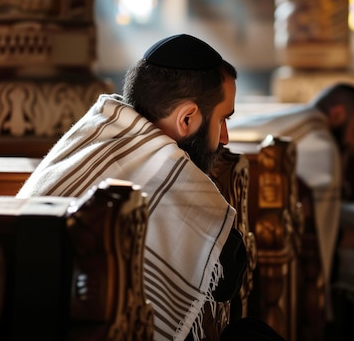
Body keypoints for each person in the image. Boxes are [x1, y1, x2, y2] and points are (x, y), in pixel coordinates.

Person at [17, 34, 285, 341]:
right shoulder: (176, 178)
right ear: (187, 118)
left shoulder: (90, 133)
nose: (224, 137)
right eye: (223, 119)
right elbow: (226, 278)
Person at [228, 83, 354, 341]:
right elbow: (320, 235)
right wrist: (340, 237)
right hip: (291, 253)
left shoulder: (302, 121)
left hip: (265, 227)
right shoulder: (323, 144)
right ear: (338, 114)